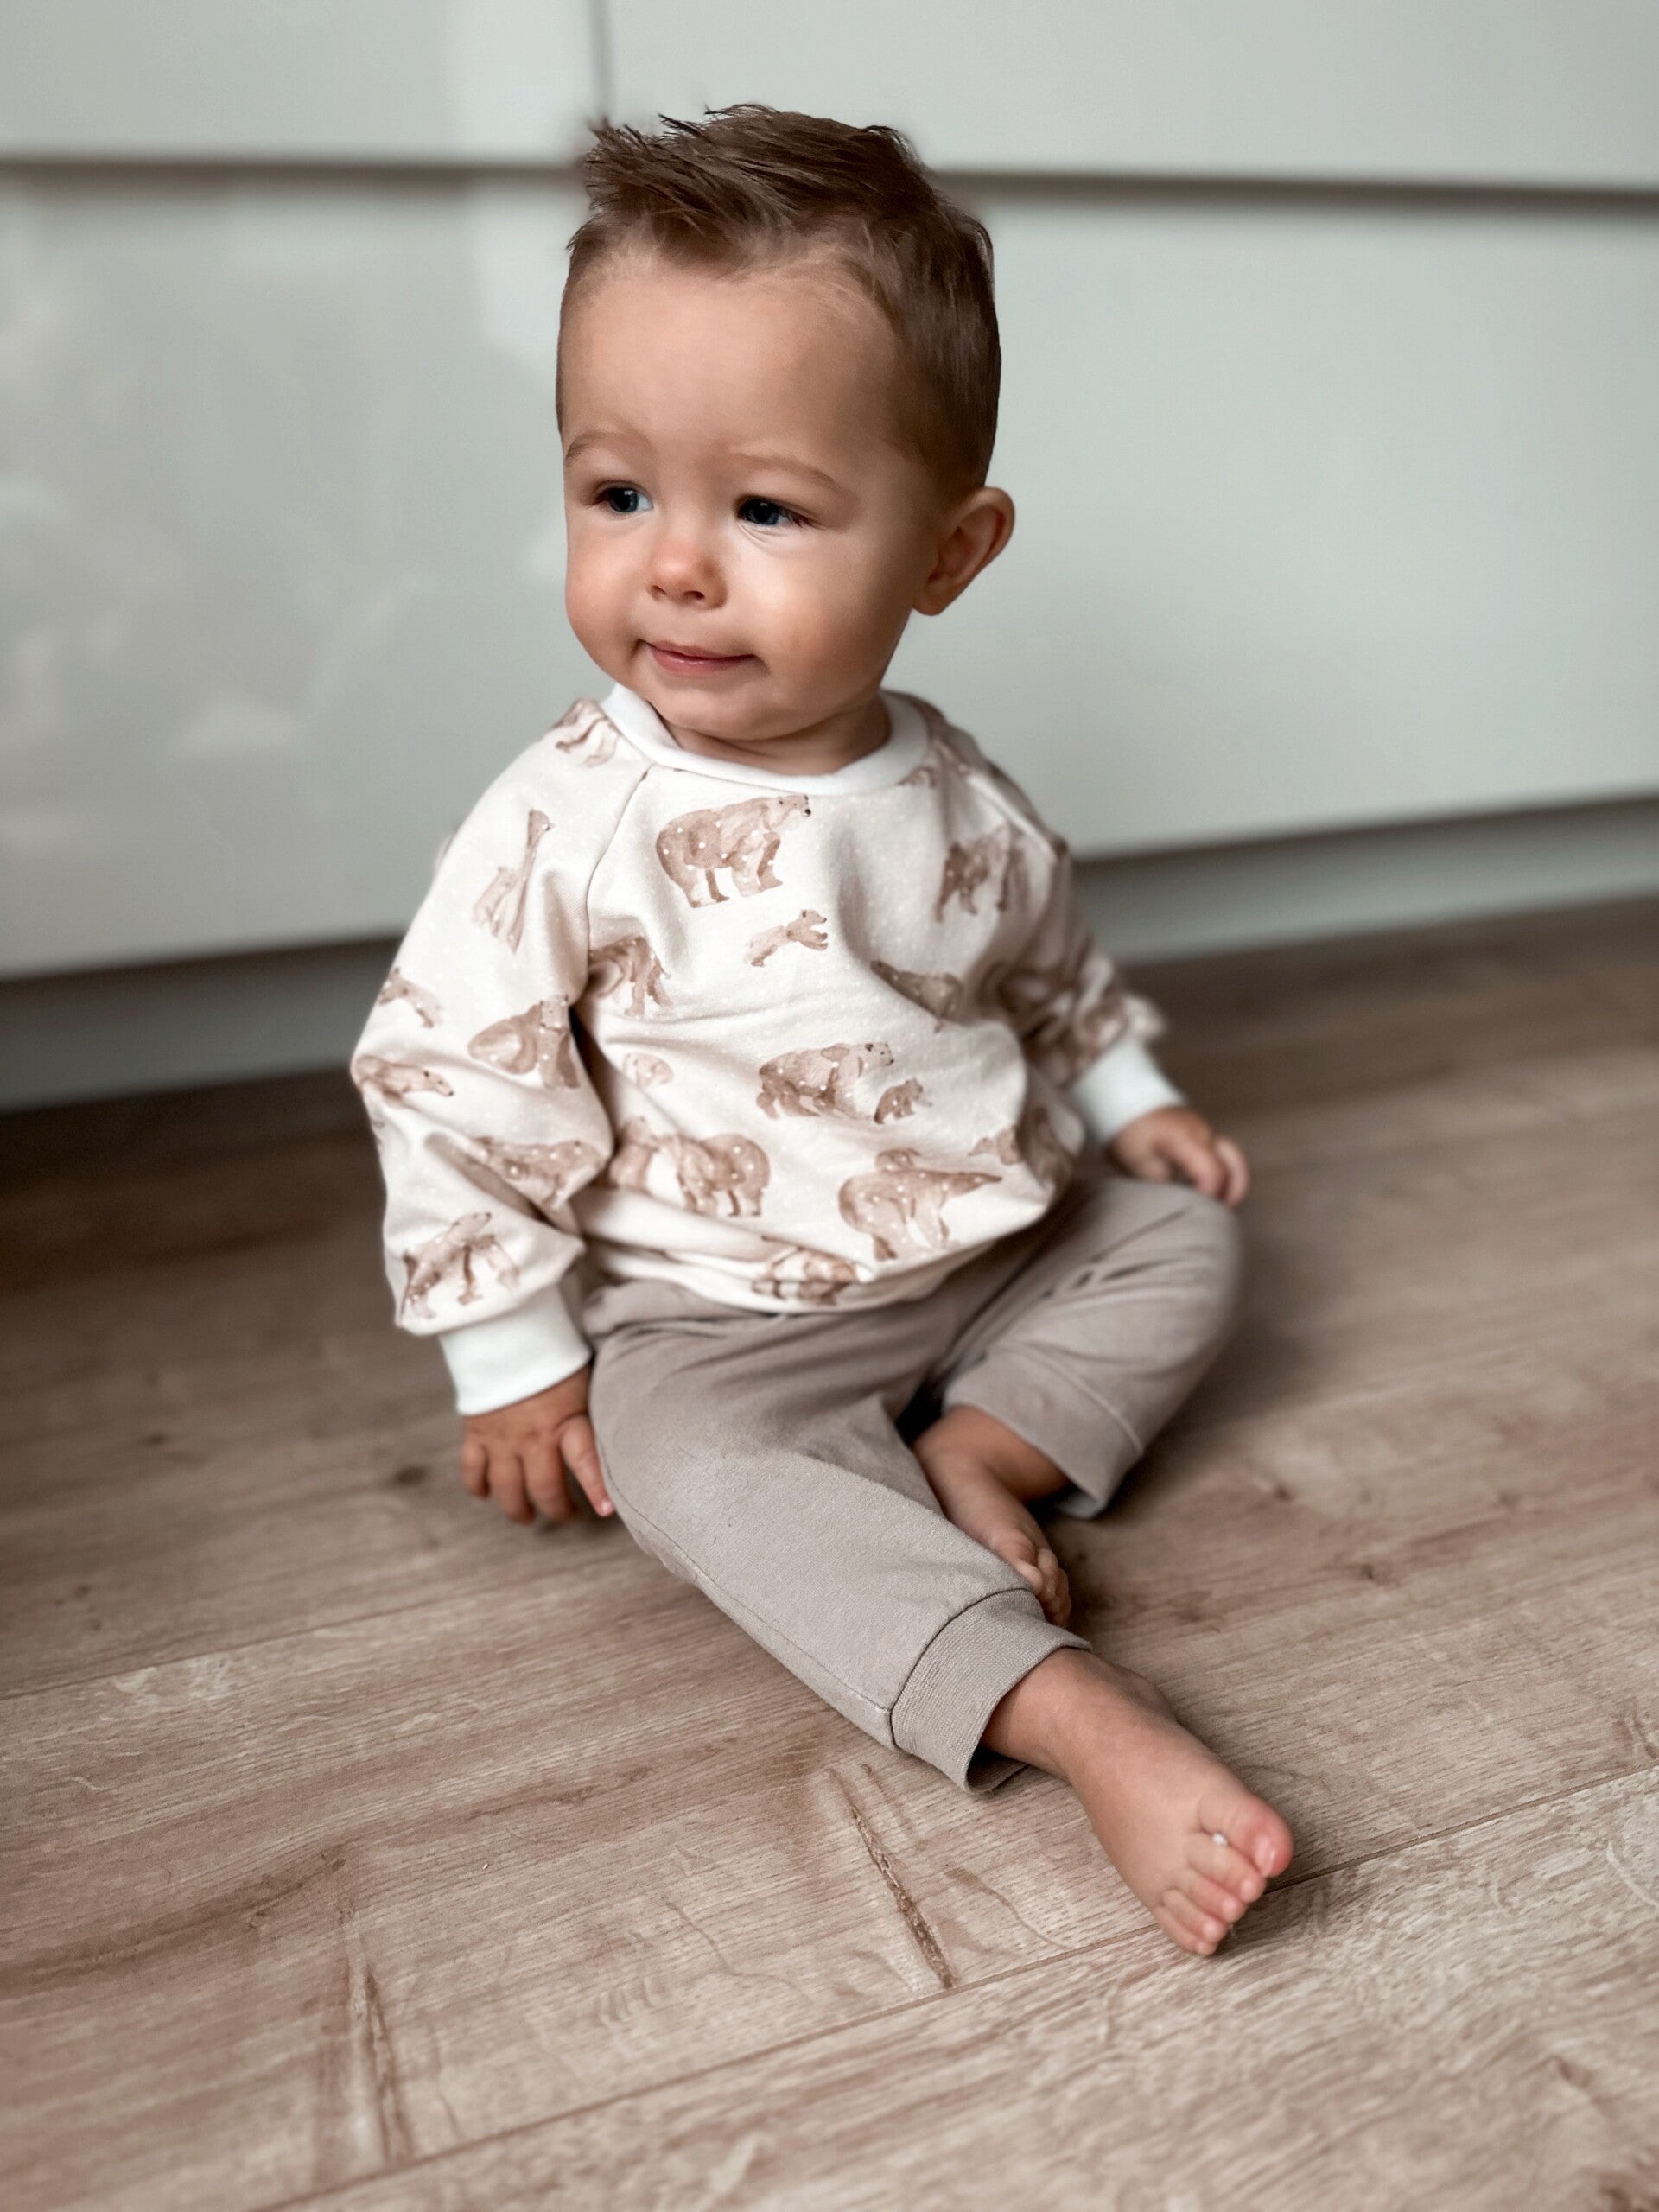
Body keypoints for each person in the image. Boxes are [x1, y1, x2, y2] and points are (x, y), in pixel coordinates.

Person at [352, 105, 1293, 1957]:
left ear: (950, 549)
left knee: (1190, 1233)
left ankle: (983, 1454)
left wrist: (1130, 1093)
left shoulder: (948, 781)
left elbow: (1041, 953)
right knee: (683, 1468)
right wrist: (510, 1351)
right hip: (725, 1315)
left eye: (764, 510)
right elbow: (452, 1078)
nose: (676, 568)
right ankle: (1056, 1703)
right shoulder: (569, 822)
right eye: (618, 493)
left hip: (992, 1240)